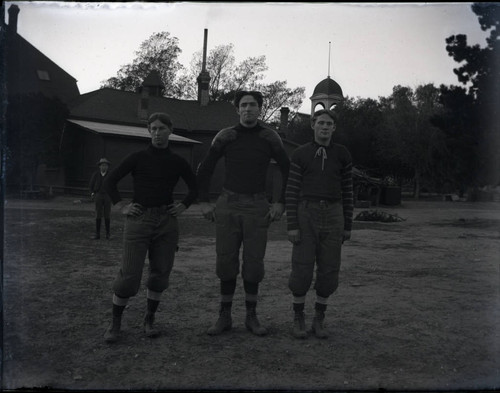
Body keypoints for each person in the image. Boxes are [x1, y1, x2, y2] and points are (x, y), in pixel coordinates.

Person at [197, 90, 290, 336]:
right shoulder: (225, 136)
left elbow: (287, 169)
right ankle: (224, 315)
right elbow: (205, 168)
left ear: (260, 109)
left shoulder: (270, 137)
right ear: (237, 109)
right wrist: (204, 202)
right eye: (243, 105)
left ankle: (251, 316)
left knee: (253, 262)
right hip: (229, 202)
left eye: (253, 105)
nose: (248, 109)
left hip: (257, 204)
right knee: (226, 260)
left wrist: (281, 202)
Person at [102, 112, 198, 343]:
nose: (157, 133)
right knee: (129, 276)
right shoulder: (137, 157)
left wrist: (183, 205)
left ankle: (149, 320)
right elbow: (109, 181)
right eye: (153, 129)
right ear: (148, 131)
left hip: (166, 222)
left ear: (170, 131)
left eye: (161, 128)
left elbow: (196, 187)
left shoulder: (178, 161)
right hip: (139, 220)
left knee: (160, 274)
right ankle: (115, 324)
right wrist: (122, 206)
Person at [285, 108, 353, 339]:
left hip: (334, 213)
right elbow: (292, 191)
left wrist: (348, 225)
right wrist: (292, 224)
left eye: (329, 124)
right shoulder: (300, 154)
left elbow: (348, 191)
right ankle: (298, 317)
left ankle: (319, 319)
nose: (324, 127)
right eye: (320, 123)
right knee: (302, 268)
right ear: (312, 125)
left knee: (329, 269)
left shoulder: (342, 154)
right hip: (306, 213)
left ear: (334, 128)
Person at [89, 158, 112, 240]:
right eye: (102, 165)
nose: (104, 167)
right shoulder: (96, 174)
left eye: (106, 165)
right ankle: (97, 234)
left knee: (107, 214)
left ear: (108, 167)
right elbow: (91, 185)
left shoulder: (110, 174)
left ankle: (108, 234)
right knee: (98, 214)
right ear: (99, 166)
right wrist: (92, 193)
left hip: (107, 196)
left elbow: (113, 185)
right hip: (98, 195)